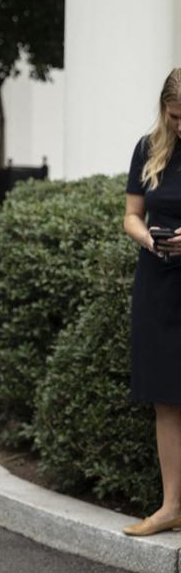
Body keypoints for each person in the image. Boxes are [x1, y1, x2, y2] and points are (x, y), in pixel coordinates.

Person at [122, 68, 181, 536]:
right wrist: (148, 239)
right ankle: (171, 507)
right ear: (164, 108)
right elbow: (131, 215)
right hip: (158, 281)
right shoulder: (148, 147)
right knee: (166, 399)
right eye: (176, 116)